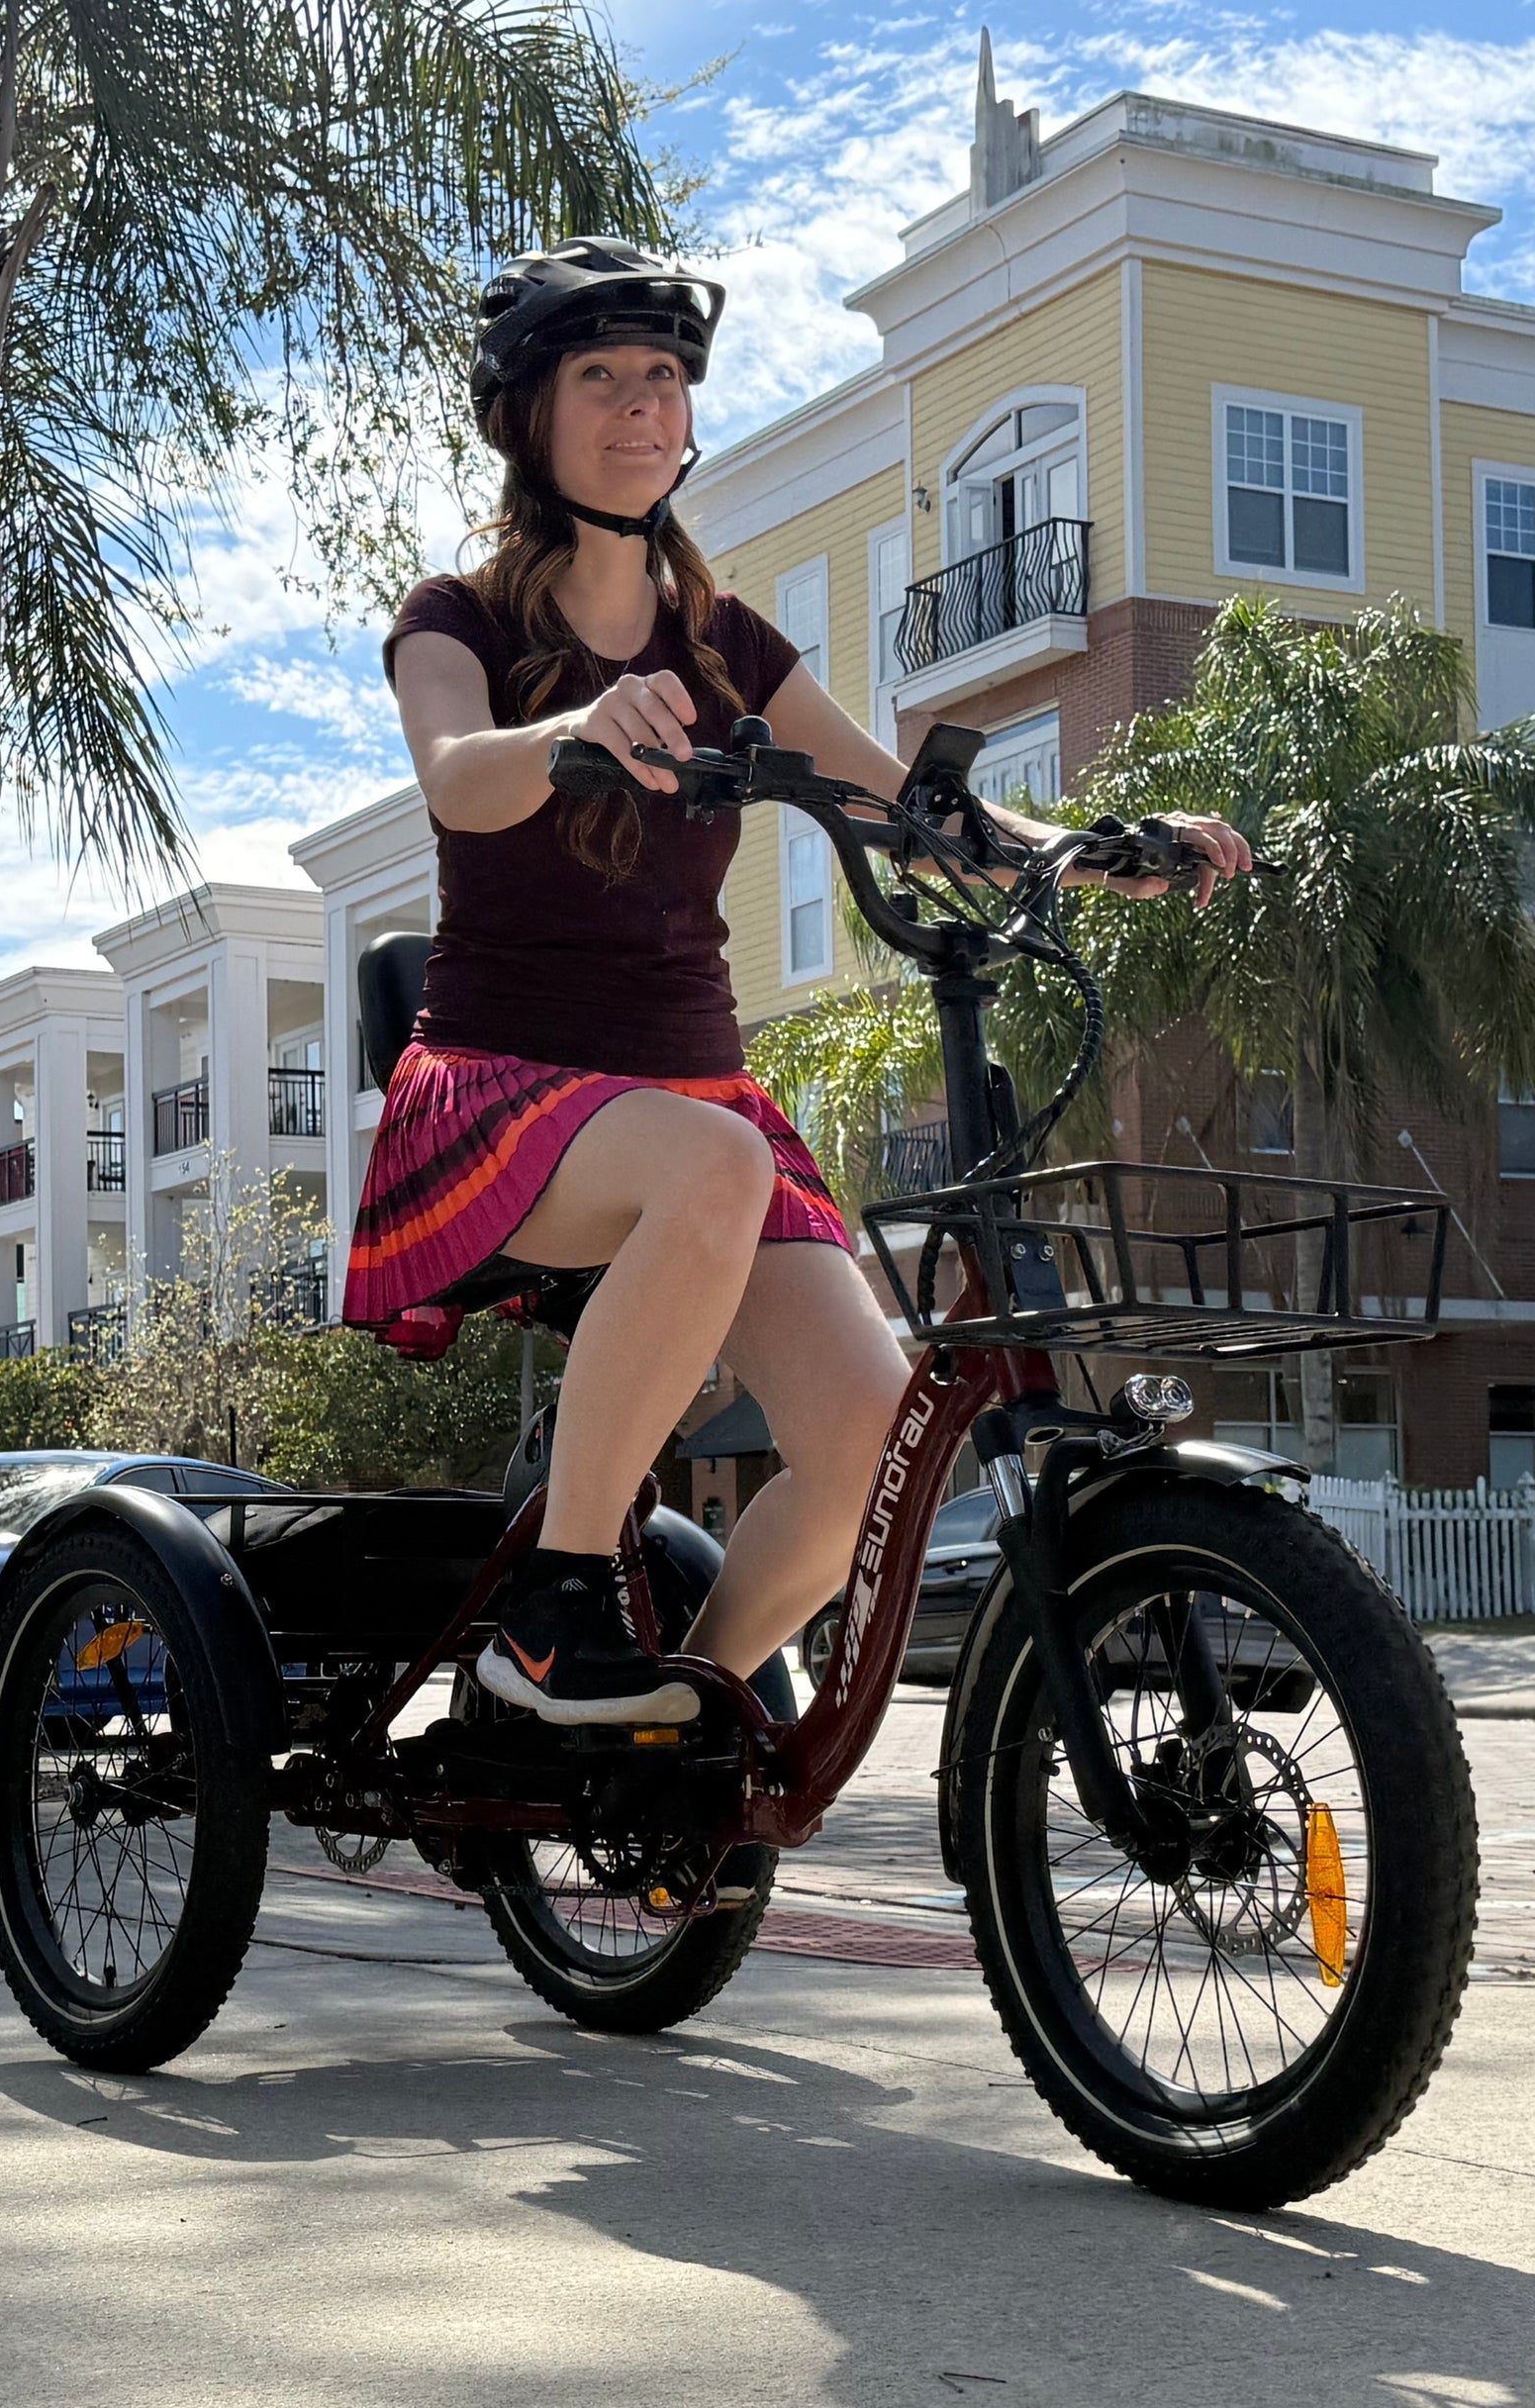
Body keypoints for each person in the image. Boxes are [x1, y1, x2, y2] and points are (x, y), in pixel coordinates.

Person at [347, 237, 1249, 1725]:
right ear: (526, 414)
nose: (643, 409)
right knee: (710, 1159)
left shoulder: (727, 646)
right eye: (600, 378)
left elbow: (912, 805)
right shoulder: (459, 620)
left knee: (875, 1433)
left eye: (665, 380)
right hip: (501, 1086)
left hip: (693, 1098)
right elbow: (458, 779)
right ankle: (557, 1606)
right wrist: (574, 725)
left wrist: (1089, 847)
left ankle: (684, 1721)